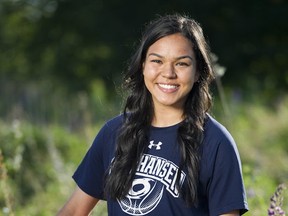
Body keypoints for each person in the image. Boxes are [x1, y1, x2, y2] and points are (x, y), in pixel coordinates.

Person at [57, 14, 249, 216]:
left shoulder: (216, 142)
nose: (168, 73)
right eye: (157, 60)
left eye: (182, 63)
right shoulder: (113, 132)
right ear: (142, 66)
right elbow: (73, 211)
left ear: (198, 71)